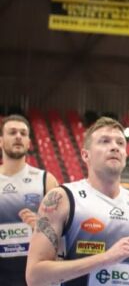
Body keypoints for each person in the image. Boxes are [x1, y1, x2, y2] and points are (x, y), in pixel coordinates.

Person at [25, 116, 129, 286]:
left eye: (120, 143)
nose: (114, 147)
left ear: (125, 155)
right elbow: (34, 276)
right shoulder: (63, 198)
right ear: (86, 155)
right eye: (105, 141)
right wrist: (106, 258)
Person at [1, 114, 58, 286]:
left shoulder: (46, 180)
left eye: (23, 133)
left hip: (33, 273)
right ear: (1, 141)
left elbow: (62, 234)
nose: (18, 136)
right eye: (12, 132)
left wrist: (41, 226)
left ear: (29, 142)